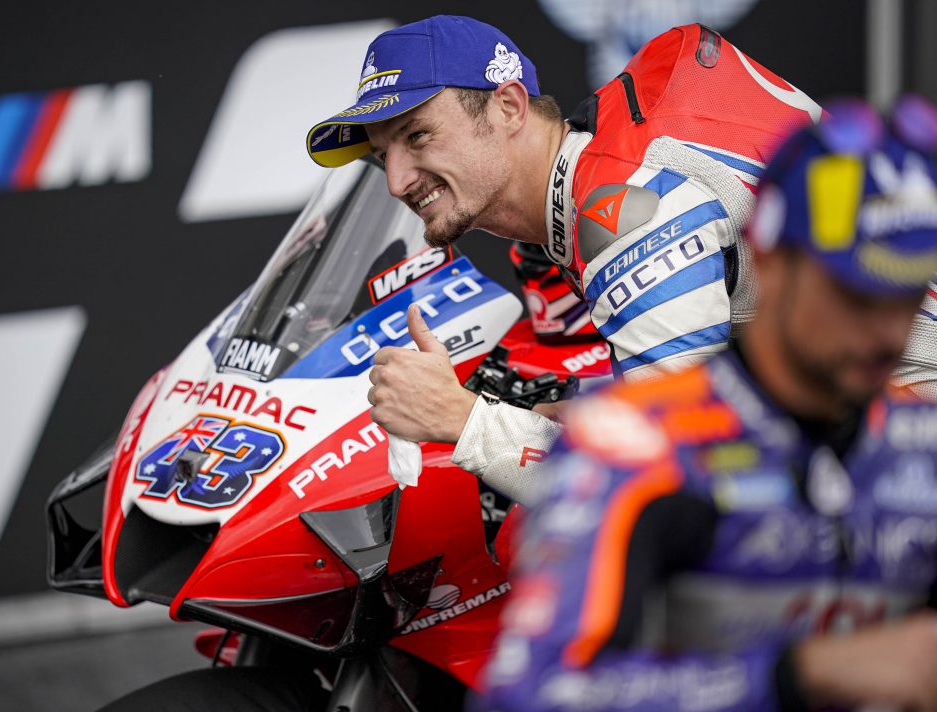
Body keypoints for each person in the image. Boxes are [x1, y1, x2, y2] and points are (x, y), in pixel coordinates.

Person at [474, 98, 937, 711]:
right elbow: (531, 696)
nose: (885, 333)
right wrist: (800, 676)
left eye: (904, 296)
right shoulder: (634, 446)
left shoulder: (921, 443)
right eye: (854, 295)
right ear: (768, 259)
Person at [305, 15, 828, 503]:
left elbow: (679, 479)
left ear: (509, 106)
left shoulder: (625, 211)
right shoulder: (606, 162)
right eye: (383, 156)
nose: (396, 181)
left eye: (417, 136)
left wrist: (462, 420)